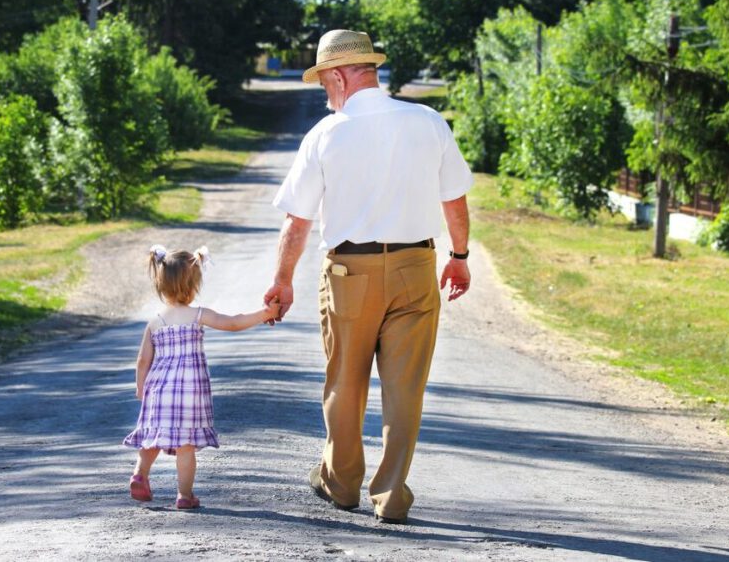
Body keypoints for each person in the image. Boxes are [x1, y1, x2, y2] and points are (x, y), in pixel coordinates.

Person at [264, 29, 473, 524]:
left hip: (348, 272)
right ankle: (391, 495)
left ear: (338, 76)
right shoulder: (428, 121)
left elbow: (297, 221)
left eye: (324, 82)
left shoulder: (326, 134)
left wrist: (283, 280)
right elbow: (454, 199)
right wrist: (459, 256)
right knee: (406, 388)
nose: (325, 93)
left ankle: (341, 484)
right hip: (416, 267)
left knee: (345, 379)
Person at [124, 244, 279, 509]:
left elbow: (142, 361)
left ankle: (140, 474)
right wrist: (265, 313)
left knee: (153, 436)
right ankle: (184, 496)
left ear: (161, 285)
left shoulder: (155, 322)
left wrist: (141, 389)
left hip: (158, 392)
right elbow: (233, 322)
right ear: (194, 285)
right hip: (189, 393)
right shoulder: (198, 315)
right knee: (185, 446)